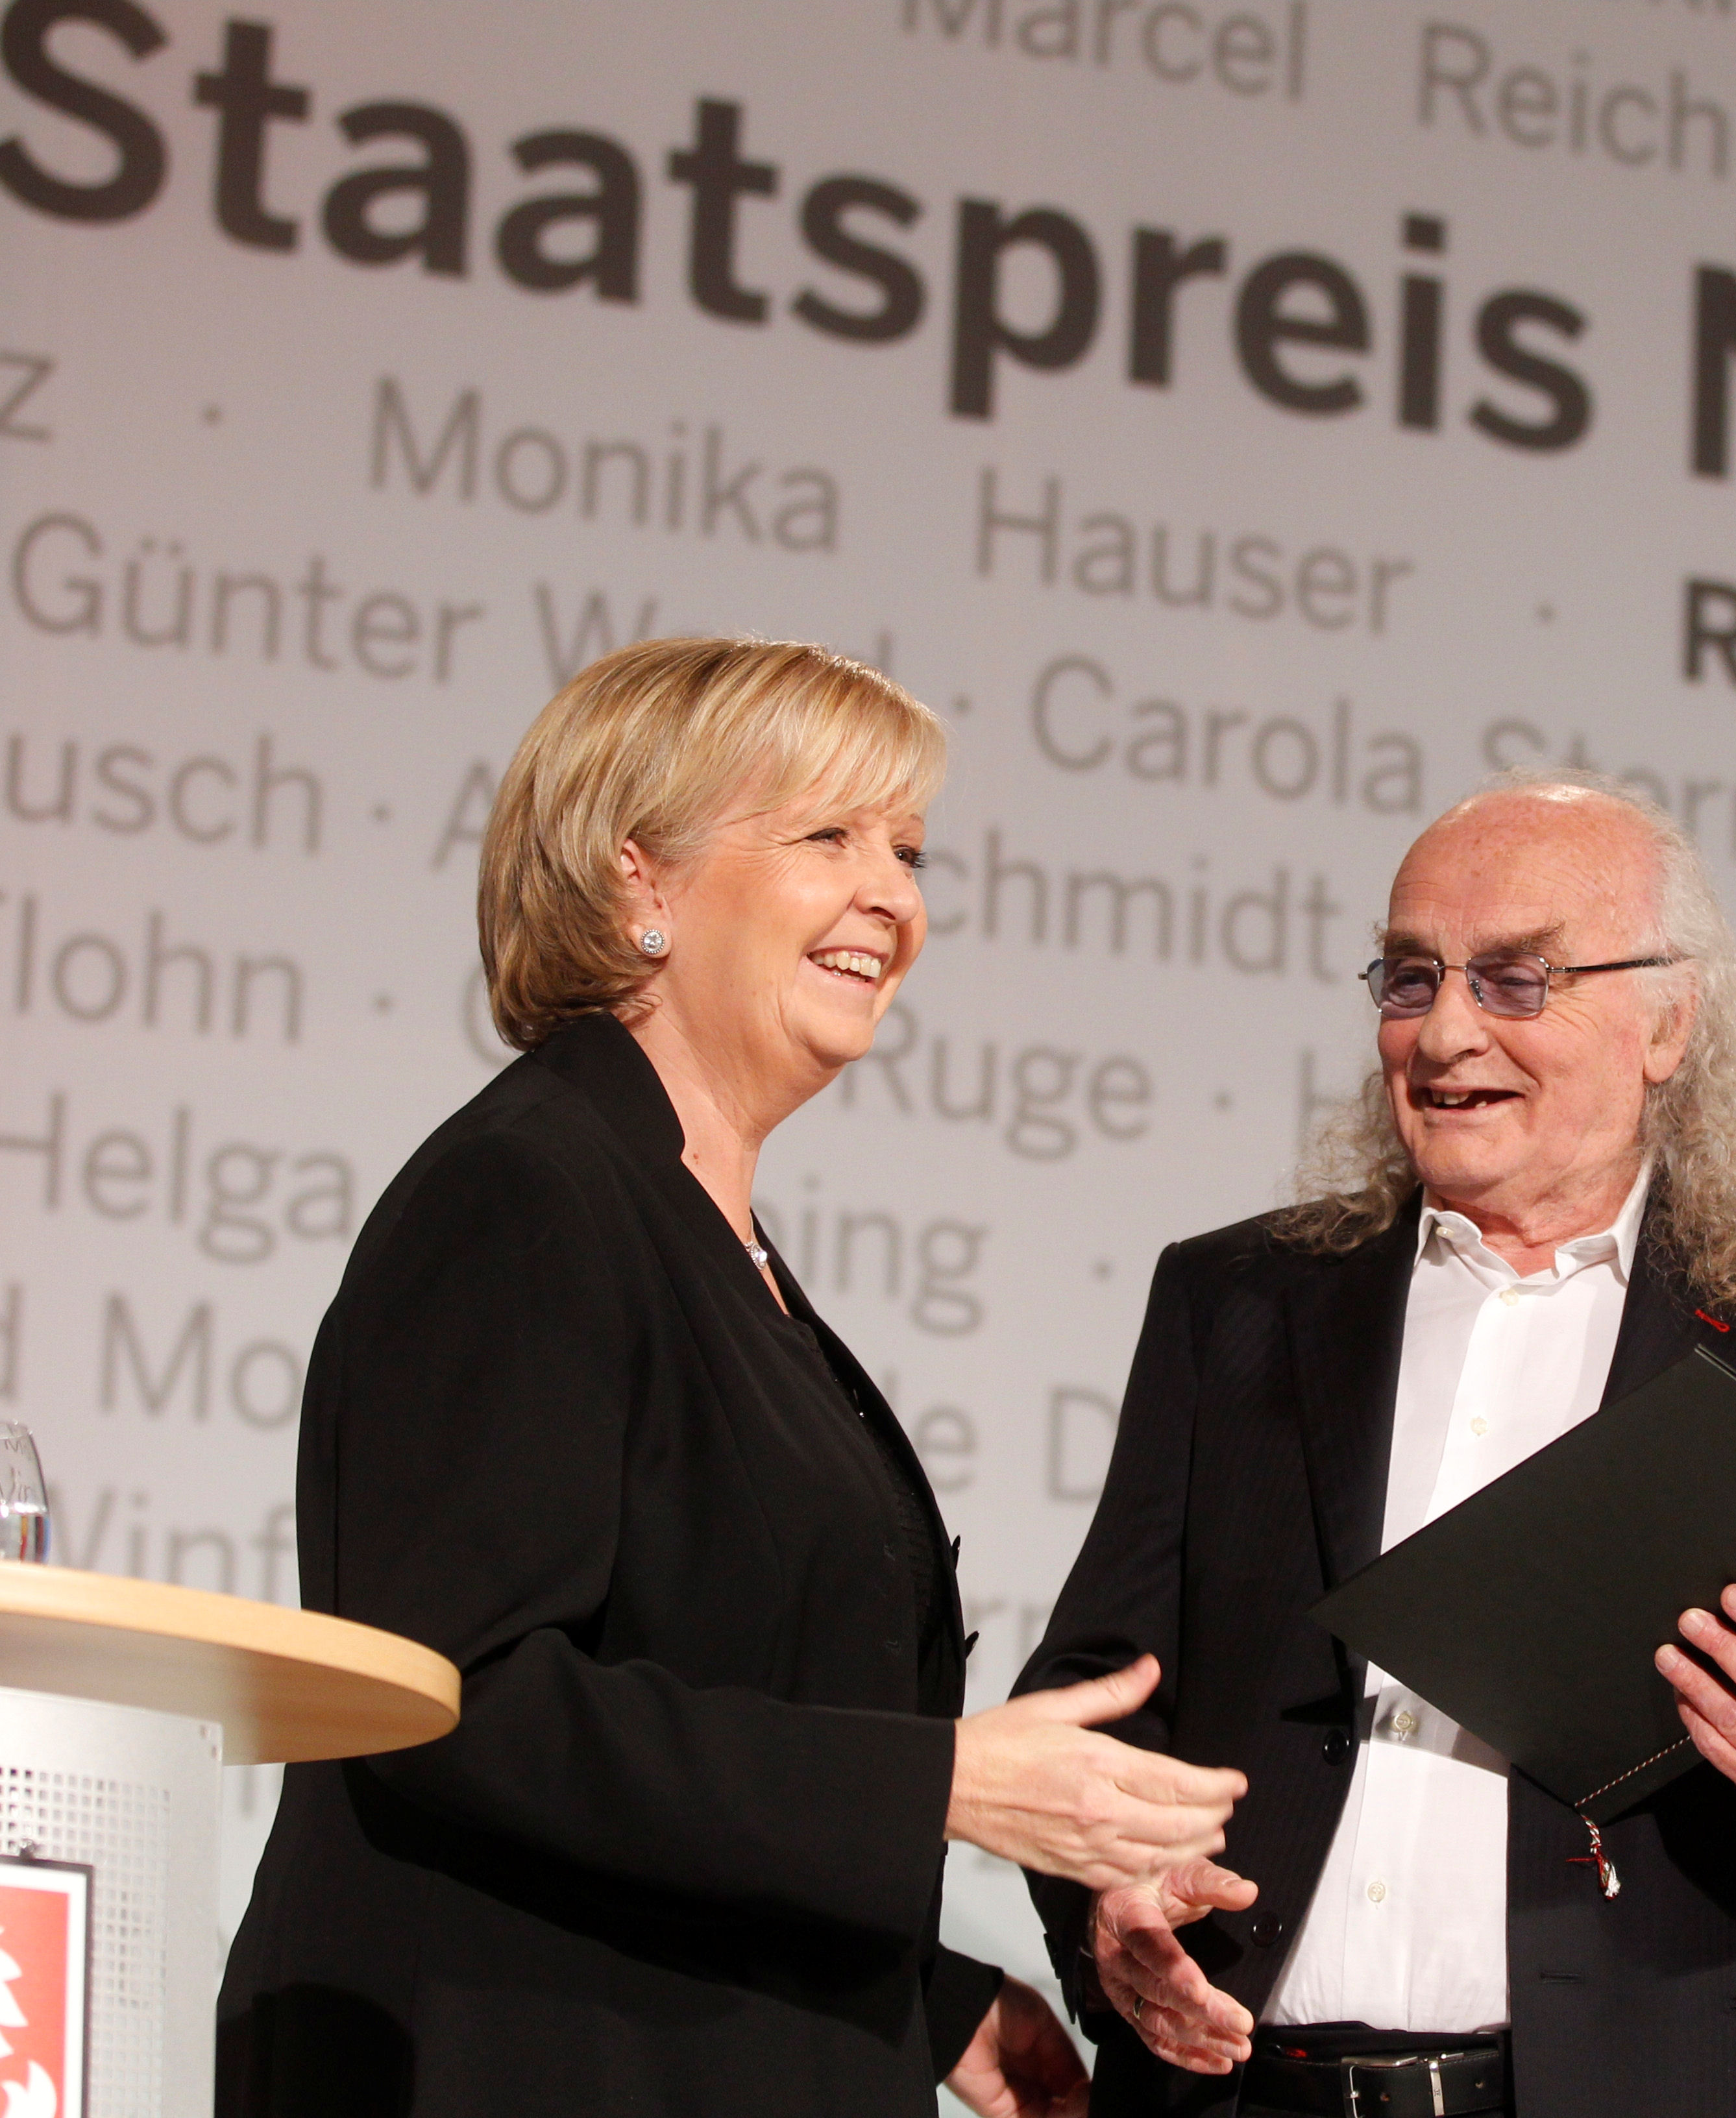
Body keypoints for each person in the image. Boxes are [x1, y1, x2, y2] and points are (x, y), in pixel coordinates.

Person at [218, 638, 1244, 2118]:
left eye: (906, 850)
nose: (891, 897)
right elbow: (457, 1700)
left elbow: (708, 1701)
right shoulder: (526, 1193)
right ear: (637, 879)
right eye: (827, 837)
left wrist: (926, 2002)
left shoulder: (701, 1234)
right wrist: (942, 1785)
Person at [1014, 770, 1736, 2118]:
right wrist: (1105, 1897)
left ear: (1667, 1025)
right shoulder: (1234, 1303)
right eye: (1411, 979)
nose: (1444, 1033)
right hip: (1235, 2090)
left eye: (1515, 982)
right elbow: (1096, 1691)